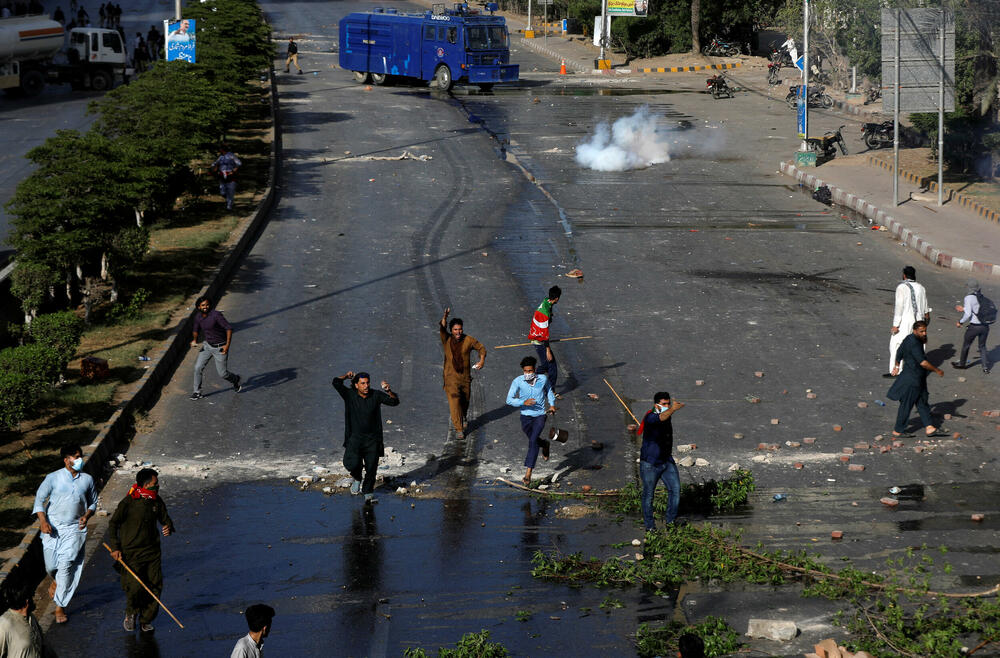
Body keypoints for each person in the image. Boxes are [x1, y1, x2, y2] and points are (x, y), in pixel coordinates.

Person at [31, 445, 97, 625]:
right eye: (76, 457)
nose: (79, 459)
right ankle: (57, 581)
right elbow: (39, 500)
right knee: (51, 566)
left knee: (67, 565)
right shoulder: (53, 478)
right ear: (66, 460)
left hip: (74, 529)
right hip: (53, 529)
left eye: (80, 456)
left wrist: (87, 515)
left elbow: (93, 502)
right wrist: (43, 522)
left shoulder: (87, 480)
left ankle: (59, 606)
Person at [108, 468, 174, 634]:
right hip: (131, 553)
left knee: (155, 585)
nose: (157, 486)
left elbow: (165, 519)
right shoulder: (129, 502)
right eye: (155, 483)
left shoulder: (156, 501)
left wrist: (168, 527)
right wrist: (115, 547)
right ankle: (131, 613)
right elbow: (113, 524)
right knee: (135, 586)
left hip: (152, 552)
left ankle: (146, 619)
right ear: (145, 485)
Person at [332, 371, 400, 504]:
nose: (366, 386)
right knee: (350, 462)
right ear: (356, 385)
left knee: (371, 468)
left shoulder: (376, 395)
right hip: (354, 438)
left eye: (367, 382)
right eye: (362, 383)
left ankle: (368, 492)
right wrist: (346, 376)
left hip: (372, 440)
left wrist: (389, 390)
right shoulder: (349, 395)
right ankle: (357, 477)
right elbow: (336, 382)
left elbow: (394, 401)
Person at [505, 356, 556, 487]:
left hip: (540, 415)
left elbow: (549, 391)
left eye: (530, 371)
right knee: (534, 439)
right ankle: (544, 444)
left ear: (534, 370)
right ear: (523, 370)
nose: (528, 374)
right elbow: (509, 400)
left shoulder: (543, 379)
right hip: (525, 416)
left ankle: (528, 474)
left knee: (532, 441)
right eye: (526, 371)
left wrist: (552, 404)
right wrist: (523, 402)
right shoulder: (518, 381)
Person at [887, 321, 943, 438]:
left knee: (922, 402)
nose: (924, 333)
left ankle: (929, 427)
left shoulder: (909, 339)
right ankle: (898, 430)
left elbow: (899, 352)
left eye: (925, 331)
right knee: (906, 404)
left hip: (919, 378)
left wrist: (897, 366)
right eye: (921, 331)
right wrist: (937, 370)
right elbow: (923, 363)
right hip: (912, 379)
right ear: (915, 331)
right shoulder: (914, 343)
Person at [638, 392, 684, 532]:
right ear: (656, 404)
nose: (667, 406)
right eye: (664, 404)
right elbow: (661, 417)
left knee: (675, 490)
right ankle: (650, 526)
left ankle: (670, 521)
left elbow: (665, 416)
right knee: (649, 494)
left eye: (668, 403)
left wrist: (671, 410)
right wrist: (673, 409)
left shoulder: (667, 415)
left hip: (666, 460)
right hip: (650, 463)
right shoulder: (651, 417)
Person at [439, 307, 486, 438]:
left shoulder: (468, 340)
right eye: (455, 330)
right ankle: (458, 428)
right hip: (450, 378)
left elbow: (481, 348)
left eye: (460, 329)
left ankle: (463, 417)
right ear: (451, 330)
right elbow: (442, 327)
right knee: (454, 402)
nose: (458, 332)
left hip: (465, 377)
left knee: (465, 401)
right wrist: (445, 316)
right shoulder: (446, 339)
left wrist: (481, 360)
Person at [190, 296, 242, 400]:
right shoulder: (198, 317)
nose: (205, 307)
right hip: (207, 346)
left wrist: (227, 346)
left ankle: (235, 379)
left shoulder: (216, 315)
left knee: (222, 374)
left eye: (207, 304)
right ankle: (197, 392)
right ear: (198, 307)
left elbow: (229, 328)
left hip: (220, 347)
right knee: (197, 368)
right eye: (203, 305)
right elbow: (195, 329)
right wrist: (194, 340)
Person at [885, 265, 929, 377]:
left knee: (896, 345)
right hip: (918, 321)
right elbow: (925, 308)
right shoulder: (921, 288)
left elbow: (899, 307)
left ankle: (895, 371)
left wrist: (896, 325)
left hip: (905, 321)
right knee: (917, 346)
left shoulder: (901, 288)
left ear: (904, 275)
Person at [0, 574, 56, 658]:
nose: (34, 600)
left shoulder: (31, 618)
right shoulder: (5, 625)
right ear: (27, 601)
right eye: (31, 597)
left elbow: (43, 645)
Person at [953, 278, 992, 374]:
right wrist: (964, 308)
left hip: (974, 327)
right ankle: (985, 367)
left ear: (969, 288)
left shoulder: (968, 298)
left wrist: (960, 322)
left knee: (966, 345)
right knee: (982, 346)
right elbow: (977, 308)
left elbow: (968, 314)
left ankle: (962, 364)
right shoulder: (981, 296)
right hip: (985, 327)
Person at [527, 285, 561, 391]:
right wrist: (548, 351)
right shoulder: (544, 314)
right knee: (551, 367)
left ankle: (535, 379)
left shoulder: (547, 301)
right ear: (556, 298)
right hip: (539, 340)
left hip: (537, 336)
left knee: (547, 365)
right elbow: (544, 334)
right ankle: (550, 390)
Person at [212, 145, 242, 211]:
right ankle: (228, 199)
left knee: (230, 191)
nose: (219, 150)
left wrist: (234, 170)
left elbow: (239, 163)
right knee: (222, 191)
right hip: (222, 175)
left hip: (230, 175)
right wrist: (215, 168)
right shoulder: (220, 157)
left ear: (223, 149)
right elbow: (215, 164)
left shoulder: (231, 156)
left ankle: (229, 206)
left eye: (220, 149)